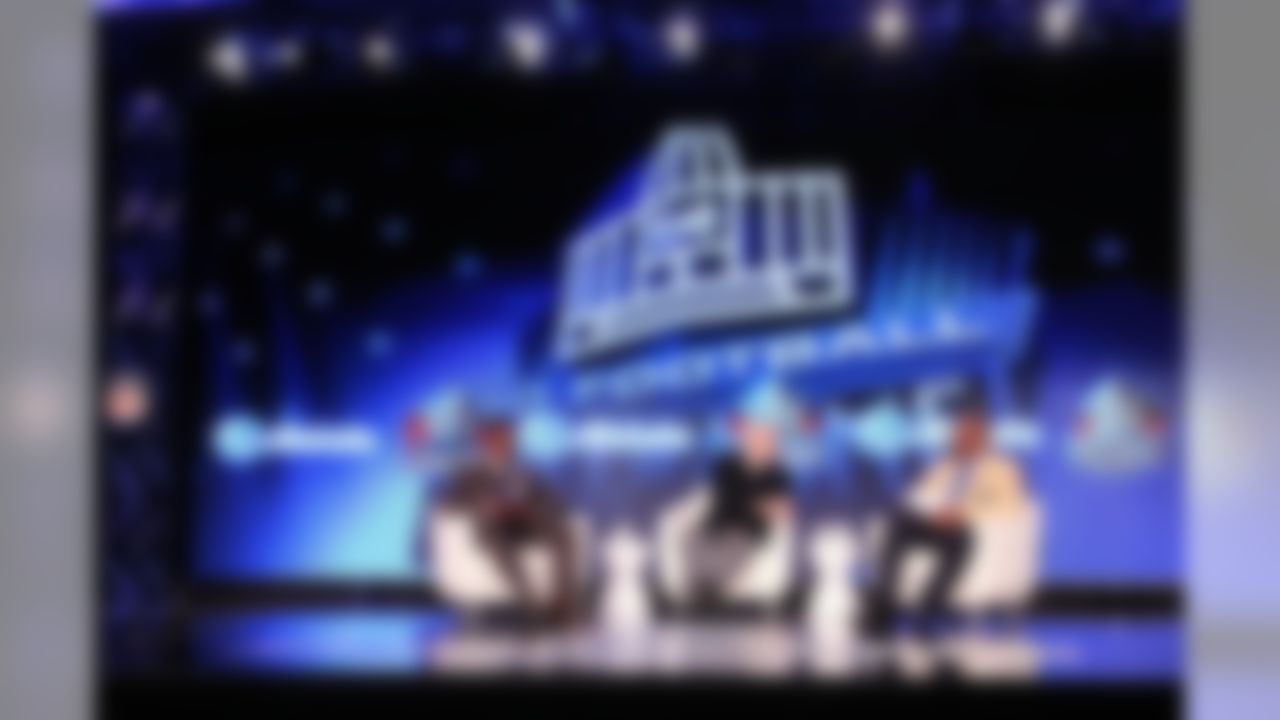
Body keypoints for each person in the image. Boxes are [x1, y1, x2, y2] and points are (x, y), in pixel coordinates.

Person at [863, 406, 1029, 638]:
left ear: (983, 438)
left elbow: (1010, 505)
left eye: (967, 435)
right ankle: (884, 603)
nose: (960, 440)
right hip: (931, 523)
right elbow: (920, 494)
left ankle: (928, 611)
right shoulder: (944, 465)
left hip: (964, 526)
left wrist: (963, 512)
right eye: (958, 435)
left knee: (960, 541)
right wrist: (926, 506)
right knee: (896, 523)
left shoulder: (1001, 469)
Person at [437, 418, 579, 627]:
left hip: (525, 523)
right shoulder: (468, 473)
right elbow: (450, 502)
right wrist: (485, 507)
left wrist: (532, 510)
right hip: (494, 527)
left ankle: (562, 602)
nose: (504, 445)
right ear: (485, 443)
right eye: (497, 440)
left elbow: (550, 500)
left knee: (562, 532)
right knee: (497, 541)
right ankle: (532, 607)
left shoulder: (526, 471)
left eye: (507, 441)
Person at [688, 408, 795, 607]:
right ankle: (705, 586)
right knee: (699, 539)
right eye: (756, 439)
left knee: (736, 544)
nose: (761, 444)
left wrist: (761, 506)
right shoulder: (727, 465)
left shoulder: (778, 473)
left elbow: (781, 506)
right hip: (722, 521)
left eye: (766, 441)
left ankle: (714, 590)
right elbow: (726, 498)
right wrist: (758, 504)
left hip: (752, 529)